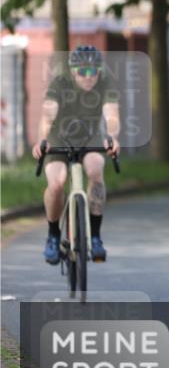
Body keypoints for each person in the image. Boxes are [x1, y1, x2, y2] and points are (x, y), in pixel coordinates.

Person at [32, 45, 120, 265]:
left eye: (93, 71)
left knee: (95, 170)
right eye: (83, 71)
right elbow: (47, 115)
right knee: (57, 182)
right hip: (58, 137)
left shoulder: (105, 82)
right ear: (73, 71)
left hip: (89, 136)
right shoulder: (59, 83)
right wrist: (42, 140)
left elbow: (112, 115)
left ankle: (96, 236)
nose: (88, 76)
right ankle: (53, 235)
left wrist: (112, 137)